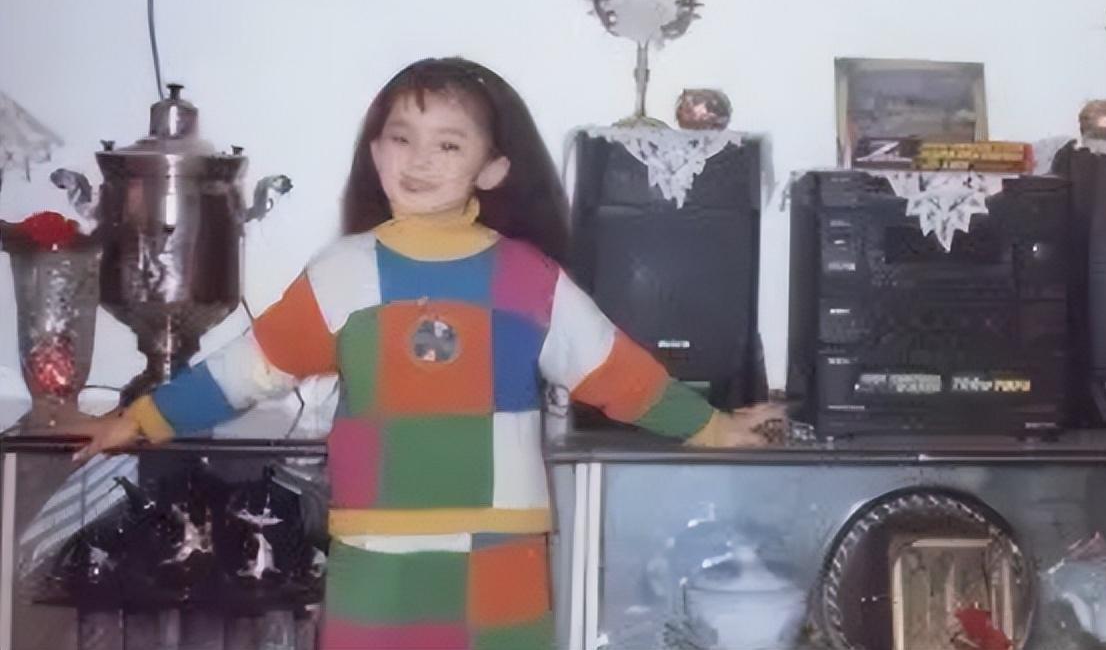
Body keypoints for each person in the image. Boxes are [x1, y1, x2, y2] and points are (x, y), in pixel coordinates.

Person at [71, 56, 780, 650]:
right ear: (375, 151)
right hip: (376, 548)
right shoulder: (342, 274)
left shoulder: (527, 277)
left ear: (492, 168)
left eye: (448, 144)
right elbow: (245, 370)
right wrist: (140, 419)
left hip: (501, 546)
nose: (419, 160)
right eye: (401, 138)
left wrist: (714, 427)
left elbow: (617, 372)